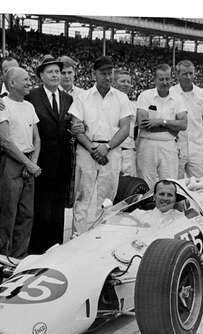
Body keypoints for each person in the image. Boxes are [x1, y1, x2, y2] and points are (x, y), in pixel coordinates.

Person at [69, 56, 132, 235]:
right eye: (103, 73)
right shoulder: (83, 97)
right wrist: (92, 149)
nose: (107, 77)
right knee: (83, 198)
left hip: (111, 151)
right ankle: (77, 239)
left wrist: (108, 147)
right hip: (87, 150)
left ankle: (100, 238)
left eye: (110, 73)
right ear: (94, 74)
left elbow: (125, 128)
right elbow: (76, 126)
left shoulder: (121, 98)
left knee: (106, 199)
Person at [25, 55, 75, 254]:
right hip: (41, 161)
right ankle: (37, 250)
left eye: (58, 72)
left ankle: (55, 249)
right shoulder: (32, 96)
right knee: (41, 208)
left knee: (57, 210)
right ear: (41, 76)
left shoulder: (67, 98)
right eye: (51, 72)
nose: (55, 75)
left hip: (62, 162)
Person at [0, 67, 41, 258]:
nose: (30, 82)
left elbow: (37, 138)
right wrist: (27, 163)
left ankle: (19, 257)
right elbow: (5, 141)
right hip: (11, 162)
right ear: (12, 83)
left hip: (29, 162)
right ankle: (2, 259)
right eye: (26, 79)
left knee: (26, 214)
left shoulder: (29, 106)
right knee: (7, 215)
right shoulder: (2, 105)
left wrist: (33, 162)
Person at [135, 63, 187, 188]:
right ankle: (146, 207)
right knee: (146, 182)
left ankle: (168, 208)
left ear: (171, 79)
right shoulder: (145, 96)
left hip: (168, 145)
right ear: (155, 80)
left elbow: (184, 124)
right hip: (147, 144)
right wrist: (172, 128)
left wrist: (160, 122)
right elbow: (143, 124)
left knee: (169, 182)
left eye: (167, 79)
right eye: (161, 79)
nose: (165, 82)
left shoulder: (178, 98)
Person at [170, 60, 203, 179]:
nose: (188, 77)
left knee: (199, 184)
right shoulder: (170, 93)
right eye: (184, 74)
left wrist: (200, 136)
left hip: (197, 149)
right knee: (176, 184)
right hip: (175, 148)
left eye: (191, 73)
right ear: (177, 74)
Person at [58, 55, 85, 207]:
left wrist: (83, 126)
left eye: (69, 72)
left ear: (75, 73)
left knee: (75, 184)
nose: (67, 76)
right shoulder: (53, 93)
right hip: (58, 143)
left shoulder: (83, 94)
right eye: (63, 73)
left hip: (77, 144)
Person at [113, 69, 137, 176]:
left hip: (129, 152)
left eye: (128, 82)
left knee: (128, 186)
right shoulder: (107, 103)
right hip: (112, 150)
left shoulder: (133, 105)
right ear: (114, 83)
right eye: (122, 81)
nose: (126, 84)